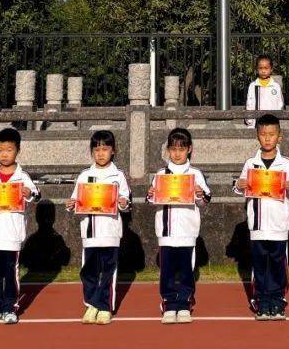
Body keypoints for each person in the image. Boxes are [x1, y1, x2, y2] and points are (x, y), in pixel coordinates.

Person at [233, 113, 289, 320]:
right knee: (260, 266)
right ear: (257, 136)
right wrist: (239, 185)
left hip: (279, 225)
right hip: (258, 225)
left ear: (279, 137)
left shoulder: (286, 164)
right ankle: (262, 301)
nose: (267, 138)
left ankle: (278, 301)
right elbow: (239, 188)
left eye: (272, 134)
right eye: (263, 134)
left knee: (278, 264)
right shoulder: (250, 163)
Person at [145, 127, 212, 324]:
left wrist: (199, 193)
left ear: (189, 149)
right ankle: (168, 303)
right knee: (166, 271)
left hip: (187, 231)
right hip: (166, 231)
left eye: (181, 149)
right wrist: (151, 193)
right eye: (173, 149)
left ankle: (184, 302)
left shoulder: (195, 174)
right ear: (167, 150)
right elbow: (150, 201)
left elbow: (206, 199)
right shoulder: (160, 174)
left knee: (185, 270)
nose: (177, 153)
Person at [65, 130, 132, 325]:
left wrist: (121, 201)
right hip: (90, 231)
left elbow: (126, 202)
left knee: (109, 270)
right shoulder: (85, 175)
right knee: (89, 270)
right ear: (92, 152)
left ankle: (104, 306)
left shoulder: (118, 176)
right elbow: (76, 199)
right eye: (97, 149)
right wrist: (71, 204)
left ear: (113, 151)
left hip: (110, 231)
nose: (101, 153)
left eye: (105, 149)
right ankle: (91, 303)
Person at [0, 127, 40, 324]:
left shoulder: (22, 176)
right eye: (1, 150)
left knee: (10, 274)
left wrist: (29, 194)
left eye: (9, 149)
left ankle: (10, 307)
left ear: (17, 150)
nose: (4, 154)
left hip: (12, 235)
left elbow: (36, 195)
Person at [245, 55, 284, 128]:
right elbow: (249, 103)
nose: (263, 71)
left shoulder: (276, 86)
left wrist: (276, 118)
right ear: (257, 69)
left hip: (272, 121)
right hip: (257, 122)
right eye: (260, 68)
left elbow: (279, 103)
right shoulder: (253, 86)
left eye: (266, 68)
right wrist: (250, 120)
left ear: (271, 69)